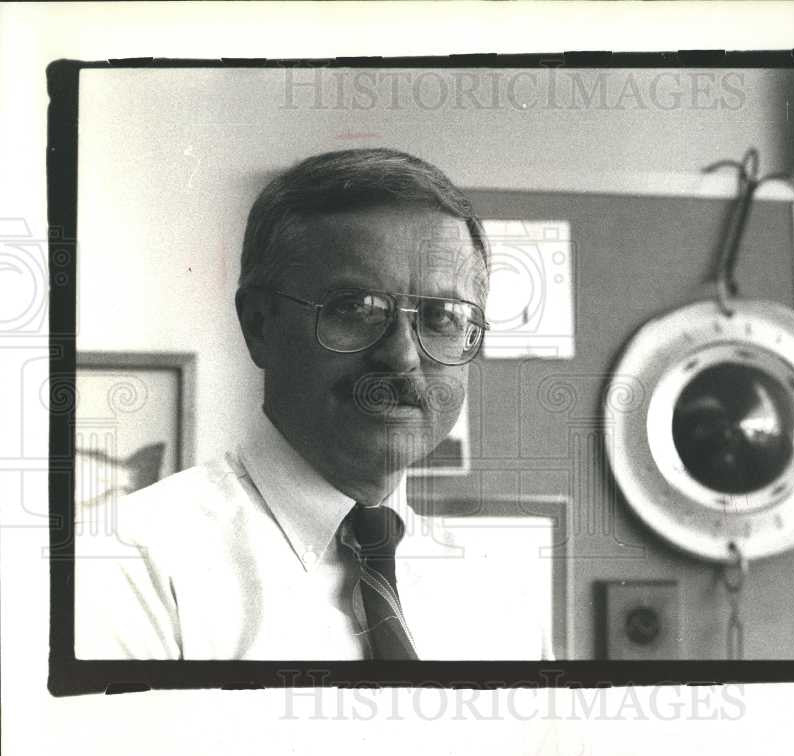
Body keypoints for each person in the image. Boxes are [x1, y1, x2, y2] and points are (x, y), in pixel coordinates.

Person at [75, 148, 553, 660]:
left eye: (442, 316)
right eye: (356, 308)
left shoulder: (501, 597)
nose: (402, 356)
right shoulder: (125, 566)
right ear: (259, 325)